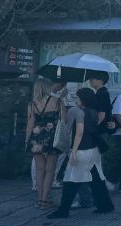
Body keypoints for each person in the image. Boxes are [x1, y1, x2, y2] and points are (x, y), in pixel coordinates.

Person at [47, 88, 114, 218]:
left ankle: (63, 210)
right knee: (96, 179)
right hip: (94, 149)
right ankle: (105, 205)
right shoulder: (93, 112)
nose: (76, 100)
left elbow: (78, 132)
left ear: (82, 100)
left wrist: (74, 151)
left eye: (77, 98)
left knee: (71, 180)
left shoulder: (79, 112)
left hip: (82, 149)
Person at [25, 77, 65, 208]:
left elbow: (30, 125)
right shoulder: (58, 102)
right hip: (52, 139)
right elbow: (63, 121)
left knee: (39, 169)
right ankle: (45, 200)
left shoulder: (32, 104)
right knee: (50, 170)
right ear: (47, 87)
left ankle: (39, 200)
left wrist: (27, 142)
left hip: (35, 139)